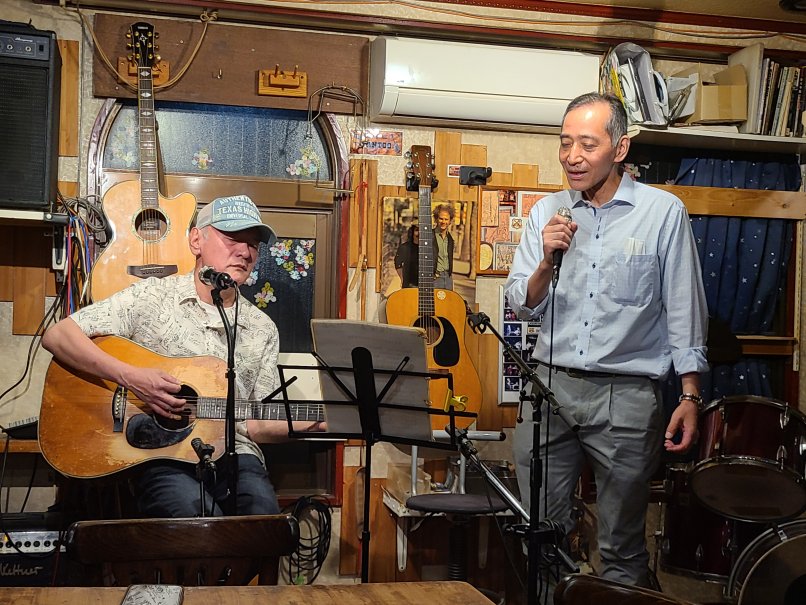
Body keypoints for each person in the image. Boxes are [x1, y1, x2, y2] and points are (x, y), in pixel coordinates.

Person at [504, 93, 708, 589]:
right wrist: (546, 262)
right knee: (540, 537)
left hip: (627, 394)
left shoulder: (662, 212)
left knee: (621, 546)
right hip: (549, 388)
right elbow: (521, 305)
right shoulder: (547, 212)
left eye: (587, 144)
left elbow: (684, 306)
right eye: (565, 143)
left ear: (620, 148)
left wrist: (689, 394)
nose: (572, 156)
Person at [42, 194, 324, 518]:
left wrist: (322, 423)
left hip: (236, 454)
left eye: (253, 245)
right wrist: (130, 377)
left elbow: (256, 423)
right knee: (193, 517)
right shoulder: (152, 296)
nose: (245, 252)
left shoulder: (262, 328)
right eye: (233, 238)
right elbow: (58, 336)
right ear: (196, 240)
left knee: (263, 520)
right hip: (161, 454)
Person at [432, 203, 455, 290]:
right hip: (435, 278)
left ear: (450, 221)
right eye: (441, 218)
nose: (443, 222)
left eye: (446, 219)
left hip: (448, 277)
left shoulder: (450, 239)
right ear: (436, 219)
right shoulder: (430, 236)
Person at [394, 223, 420, 288]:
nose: (419, 233)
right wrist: (402, 279)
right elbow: (398, 264)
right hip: (409, 285)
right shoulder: (404, 247)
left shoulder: (428, 248)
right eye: (417, 230)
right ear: (412, 232)